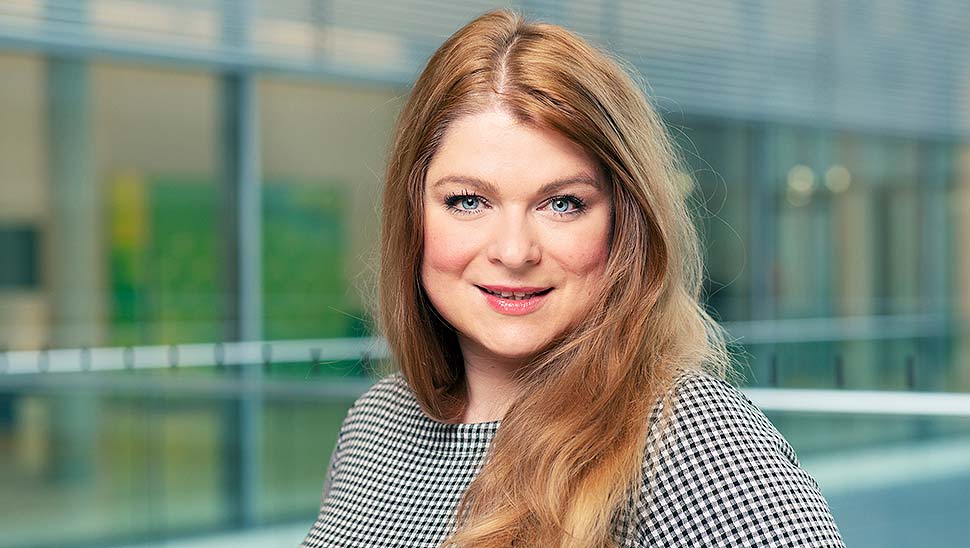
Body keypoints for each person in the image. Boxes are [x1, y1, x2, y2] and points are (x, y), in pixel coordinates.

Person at [302, 9, 845, 548]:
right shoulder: (374, 421)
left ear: (623, 223)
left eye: (562, 203)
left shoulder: (693, 443)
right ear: (414, 216)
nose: (514, 251)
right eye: (468, 201)